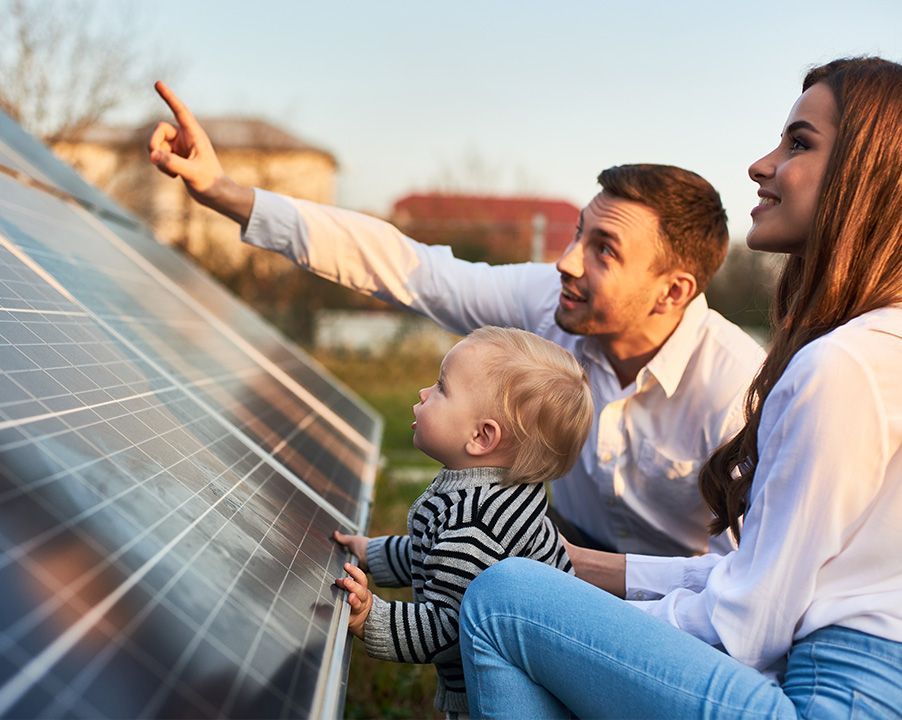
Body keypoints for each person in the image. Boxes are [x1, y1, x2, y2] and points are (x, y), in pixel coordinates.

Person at [457, 56, 902, 718]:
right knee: (536, 594)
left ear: (866, 177)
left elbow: (748, 626)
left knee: (502, 600)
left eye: (799, 143)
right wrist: (579, 571)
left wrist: (578, 634)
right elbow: (766, 575)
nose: (761, 164)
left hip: (830, 701)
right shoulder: (878, 349)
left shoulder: (839, 367)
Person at [147, 86, 766, 559]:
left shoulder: (737, 389)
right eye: (579, 232)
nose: (567, 260)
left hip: (681, 606)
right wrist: (226, 193)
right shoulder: (552, 302)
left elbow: (744, 585)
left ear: (672, 290)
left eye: (604, 249)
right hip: (567, 552)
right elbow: (408, 268)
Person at [330, 326, 592, 716]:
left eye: (440, 388)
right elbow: (434, 553)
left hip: (498, 694)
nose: (423, 393)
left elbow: (449, 627)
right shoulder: (497, 492)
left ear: (481, 437)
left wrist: (373, 618)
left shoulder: (476, 526)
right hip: (531, 673)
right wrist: (373, 553)